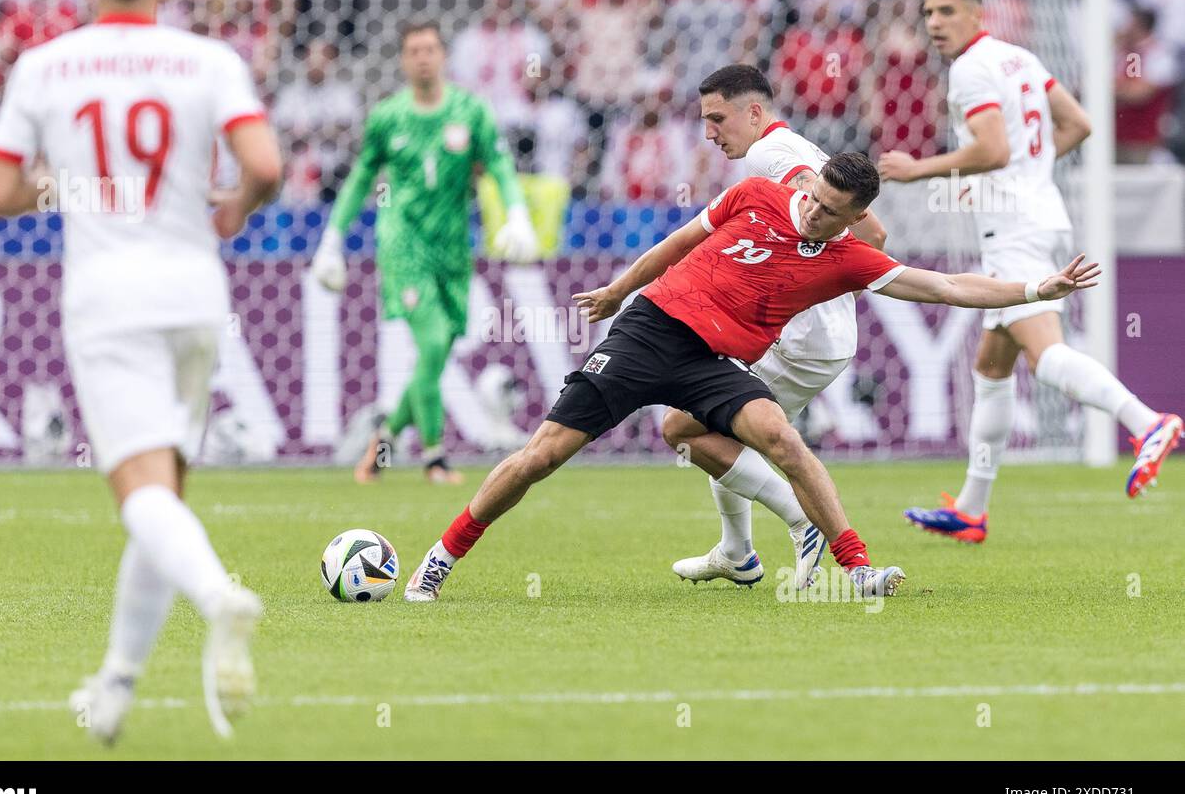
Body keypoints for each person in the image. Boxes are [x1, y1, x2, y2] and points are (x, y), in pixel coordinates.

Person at [400, 153, 1098, 603]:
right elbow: (679, 244)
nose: (817, 214)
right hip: (650, 331)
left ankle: (855, 569)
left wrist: (1039, 287)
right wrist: (617, 291)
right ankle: (442, 555)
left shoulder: (850, 259)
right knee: (543, 455)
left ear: (858, 219)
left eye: (834, 212)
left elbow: (947, 286)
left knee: (782, 438)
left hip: (713, 364)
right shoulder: (758, 193)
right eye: (816, 200)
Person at [0, 0, 282, 744]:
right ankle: (115, 687)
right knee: (165, 495)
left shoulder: (46, 66)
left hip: (110, 299)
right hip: (192, 295)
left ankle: (219, 597)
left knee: (140, 494)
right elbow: (264, 165)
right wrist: (234, 209)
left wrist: (67, 188)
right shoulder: (207, 60)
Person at [878, 0, 1179, 542]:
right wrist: (1023, 172)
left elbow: (991, 148)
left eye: (946, 11)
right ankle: (971, 508)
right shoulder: (1019, 58)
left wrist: (919, 169)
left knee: (1045, 356)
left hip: (1015, 229)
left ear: (975, 12)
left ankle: (1147, 422)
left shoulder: (969, 69)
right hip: (1040, 214)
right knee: (992, 366)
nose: (935, 22)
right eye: (929, 13)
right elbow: (1080, 124)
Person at [663, 64, 888, 590]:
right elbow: (867, 231)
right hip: (810, 336)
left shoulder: (771, 154)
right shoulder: (797, 147)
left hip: (802, 339)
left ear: (755, 112)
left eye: (718, 119)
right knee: (712, 425)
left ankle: (798, 520)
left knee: (685, 428)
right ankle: (737, 550)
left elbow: (848, 221)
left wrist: (808, 289)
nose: (709, 133)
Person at [309, 21, 539, 485]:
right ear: (403, 60)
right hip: (402, 244)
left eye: (430, 49)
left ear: (443, 56)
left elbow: (498, 164)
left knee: (438, 352)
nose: (422, 57)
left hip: (453, 247)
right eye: (413, 50)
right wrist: (332, 240)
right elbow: (359, 179)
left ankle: (385, 440)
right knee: (432, 342)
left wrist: (517, 214)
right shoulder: (388, 116)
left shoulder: (471, 111)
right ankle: (434, 457)